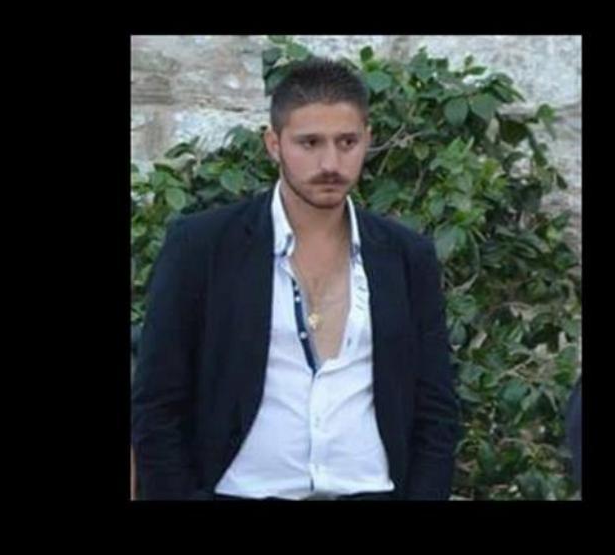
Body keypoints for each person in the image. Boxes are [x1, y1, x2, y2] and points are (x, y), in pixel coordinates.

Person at [131, 58, 460, 500]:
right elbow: (157, 404)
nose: (330, 162)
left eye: (347, 142)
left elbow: (435, 410)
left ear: (367, 140)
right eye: (310, 143)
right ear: (274, 144)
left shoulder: (406, 256)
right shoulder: (203, 246)